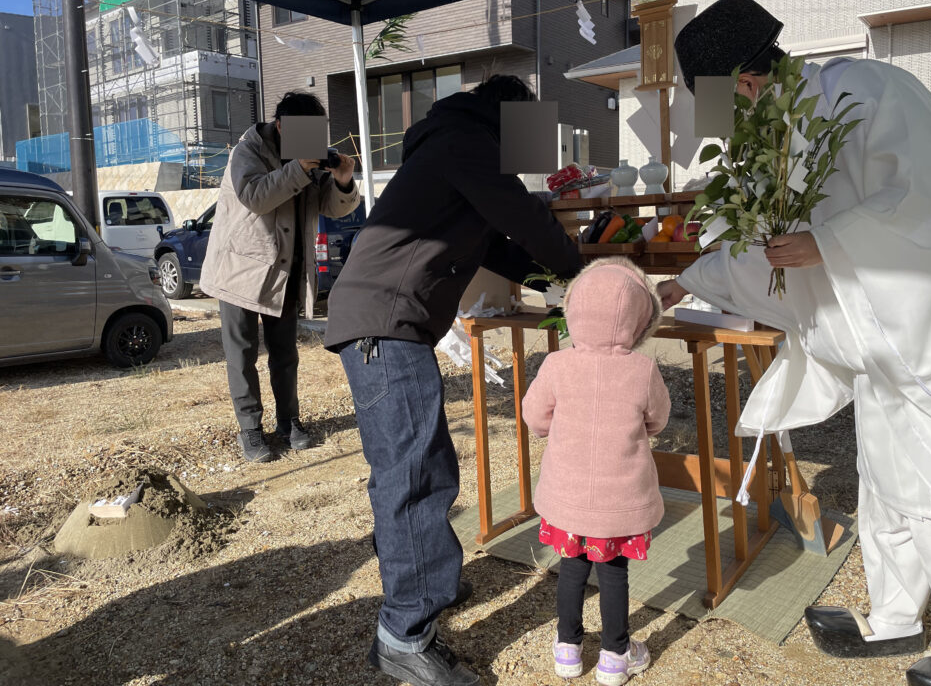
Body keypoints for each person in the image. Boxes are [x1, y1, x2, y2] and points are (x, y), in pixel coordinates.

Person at [658, 0, 931, 686]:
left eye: (721, 107)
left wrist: (826, 242)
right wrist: (691, 281)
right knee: (886, 479)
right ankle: (895, 616)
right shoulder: (782, 134)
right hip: (882, 347)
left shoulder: (867, 90)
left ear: (744, 85)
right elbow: (766, 249)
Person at [324, 74, 582, 686]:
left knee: (424, 466)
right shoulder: (467, 145)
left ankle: (426, 586)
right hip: (384, 326)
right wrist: (581, 262)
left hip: (386, 321)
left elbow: (499, 242)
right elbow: (523, 216)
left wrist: (560, 273)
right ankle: (404, 634)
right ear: (509, 118)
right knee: (414, 473)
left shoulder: (451, 142)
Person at [522, 257, 669, 686]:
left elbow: (534, 416)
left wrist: (557, 429)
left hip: (566, 495)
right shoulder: (642, 370)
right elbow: (657, 419)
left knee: (570, 567)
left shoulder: (557, 364)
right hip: (620, 501)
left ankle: (568, 647)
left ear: (574, 310)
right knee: (614, 573)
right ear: (640, 321)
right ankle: (614, 657)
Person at [201, 91, 359, 463]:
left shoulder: (307, 153)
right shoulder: (248, 150)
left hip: (286, 270)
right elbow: (255, 196)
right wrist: (300, 168)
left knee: (285, 355)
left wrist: (343, 181)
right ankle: (250, 430)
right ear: (281, 125)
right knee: (242, 355)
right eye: (304, 132)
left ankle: (288, 421)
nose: (311, 141)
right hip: (240, 269)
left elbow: (329, 206)